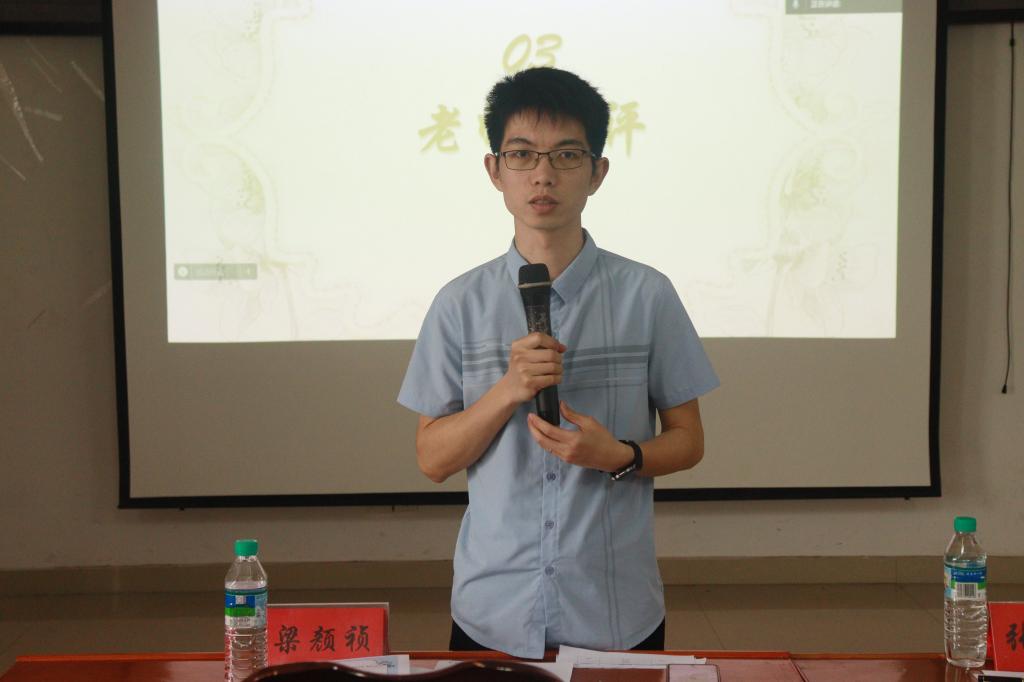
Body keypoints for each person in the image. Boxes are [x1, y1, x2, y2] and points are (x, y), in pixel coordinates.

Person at [397, 66, 718, 659]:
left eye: (567, 155)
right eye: (522, 154)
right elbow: (432, 459)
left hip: (614, 609)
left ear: (597, 172)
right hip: (493, 611)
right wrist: (506, 390)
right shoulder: (459, 304)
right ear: (494, 170)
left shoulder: (647, 295)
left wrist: (619, 456)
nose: (543, 174)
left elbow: (689, 440)